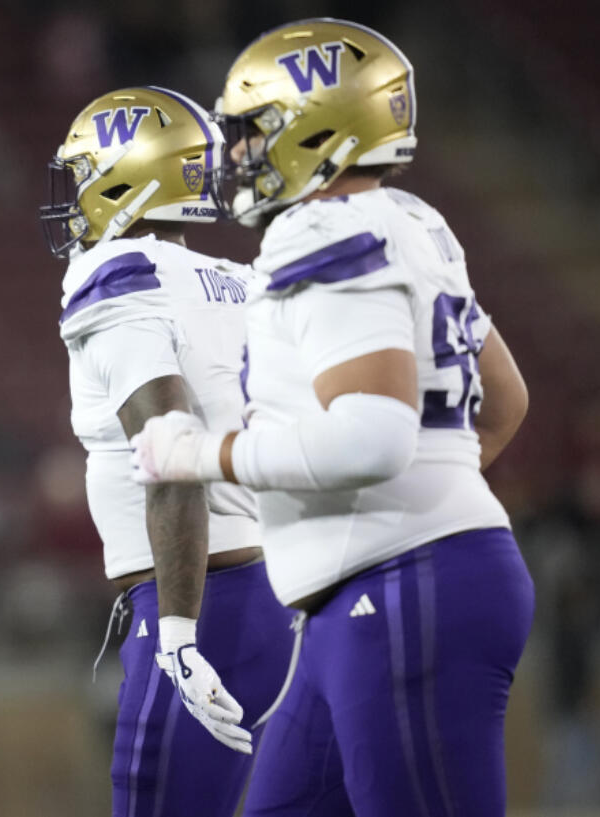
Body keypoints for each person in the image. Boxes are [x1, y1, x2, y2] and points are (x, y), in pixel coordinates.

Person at [130, 19, 534, 816]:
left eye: (255, 130)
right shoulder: (412, 221)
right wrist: (430, 494)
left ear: (317, 129)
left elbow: (371, 436)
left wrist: (200, 453)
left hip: (400, 588)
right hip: (375, 592)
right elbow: (507, 399)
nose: (238, 154)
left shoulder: (327, 228)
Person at [41, 85, 295, 817]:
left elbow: (171, 451)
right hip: (276, 599)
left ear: (128, 174)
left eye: (86, 173)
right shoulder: (237, 281)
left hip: (195, 603)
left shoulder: (116, 273)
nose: (76, 194)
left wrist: (178, 634)